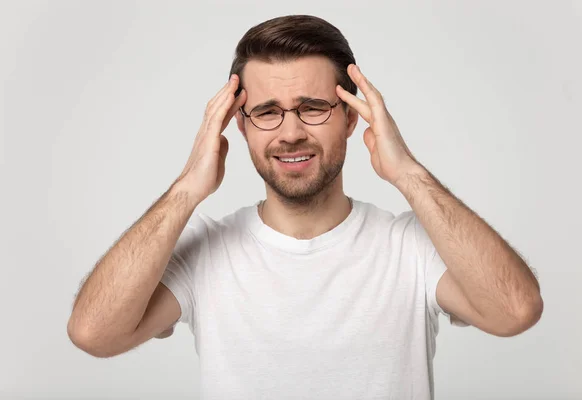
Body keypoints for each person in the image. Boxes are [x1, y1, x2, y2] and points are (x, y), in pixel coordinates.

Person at [67, 14, 543, 400]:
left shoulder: (411, 246)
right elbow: (94, 334)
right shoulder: (207, 253)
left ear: (353, 119)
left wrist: (408, 174)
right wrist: (187, 189)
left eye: (314, 107)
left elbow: (515, 312)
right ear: (240, 124)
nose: (290, 132)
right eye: (267, 111)